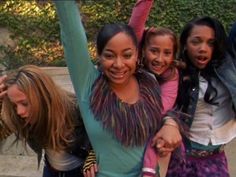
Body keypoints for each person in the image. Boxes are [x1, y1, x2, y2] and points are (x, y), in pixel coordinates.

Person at [54, 1, 182, 177]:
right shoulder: (89, 85)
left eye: (127, 55)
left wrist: (171, 123)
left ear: (138, 54)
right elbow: (70, 29)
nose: (119, 64)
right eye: (109, 55)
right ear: (99, 56)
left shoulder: (150, 83)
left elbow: (166, 111)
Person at [166, 16, 236, 177]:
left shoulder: (228, 67)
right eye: (196, 41)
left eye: (210, 43)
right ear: (184, 44)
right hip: (181, 161)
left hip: (216, 160)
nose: (203, 48)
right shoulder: (175, 75)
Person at [0, 65, 91, 177]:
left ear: (43, 96)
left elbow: (110, 136)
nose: (19, 111)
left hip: (83, 172)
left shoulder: (77, 108)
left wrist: (95, 156)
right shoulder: (22, 117)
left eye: (25, 103)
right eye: (14, 105)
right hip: (51, 170)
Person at [129, 1, 181, 176]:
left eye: (167, 53)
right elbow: (134, 27)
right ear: (143, 50)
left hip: (151, 124)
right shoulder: (134, 66)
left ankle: (149, 171)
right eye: (154, 51)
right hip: (125, 128)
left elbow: (164, 105)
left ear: (173, 55)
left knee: (158, 131)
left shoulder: (172, 74)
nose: (159, 58)